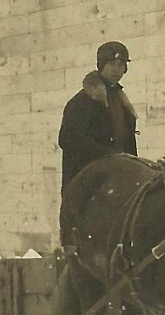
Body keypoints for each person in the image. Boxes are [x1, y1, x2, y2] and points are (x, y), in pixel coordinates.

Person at [57, 40, 139, 248]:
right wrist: (109, 156)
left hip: (117, 180)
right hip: (88, 182)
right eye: (112, 64)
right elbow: (68, 139)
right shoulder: (82, 102)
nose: (117, 70)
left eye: (121, 65)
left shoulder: (120, 101)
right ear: (101, 65)